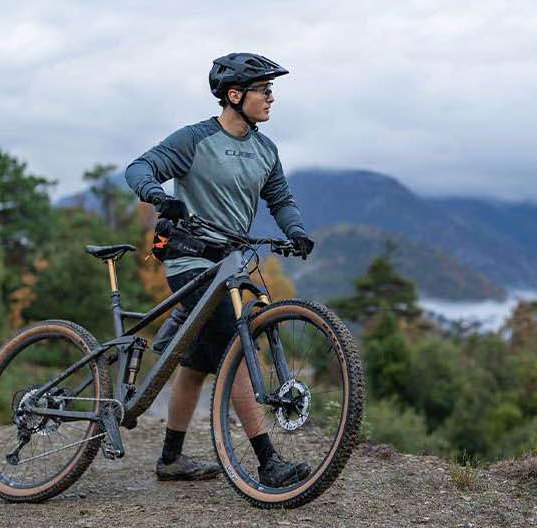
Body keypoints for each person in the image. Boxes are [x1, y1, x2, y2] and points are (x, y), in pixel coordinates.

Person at [124, 52, 318, 487]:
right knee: (235, 346)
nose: (271, 98)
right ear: (235, 95)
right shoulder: (195, 139)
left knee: (195, 364)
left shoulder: (266, 150)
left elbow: (281, 200)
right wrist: (158, 195)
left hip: (230, 263)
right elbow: (140, 167)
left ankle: (170, 459)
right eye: (263, 90)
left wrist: (297, 230)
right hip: (190, 259)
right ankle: (268, 462)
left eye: (272, 90)